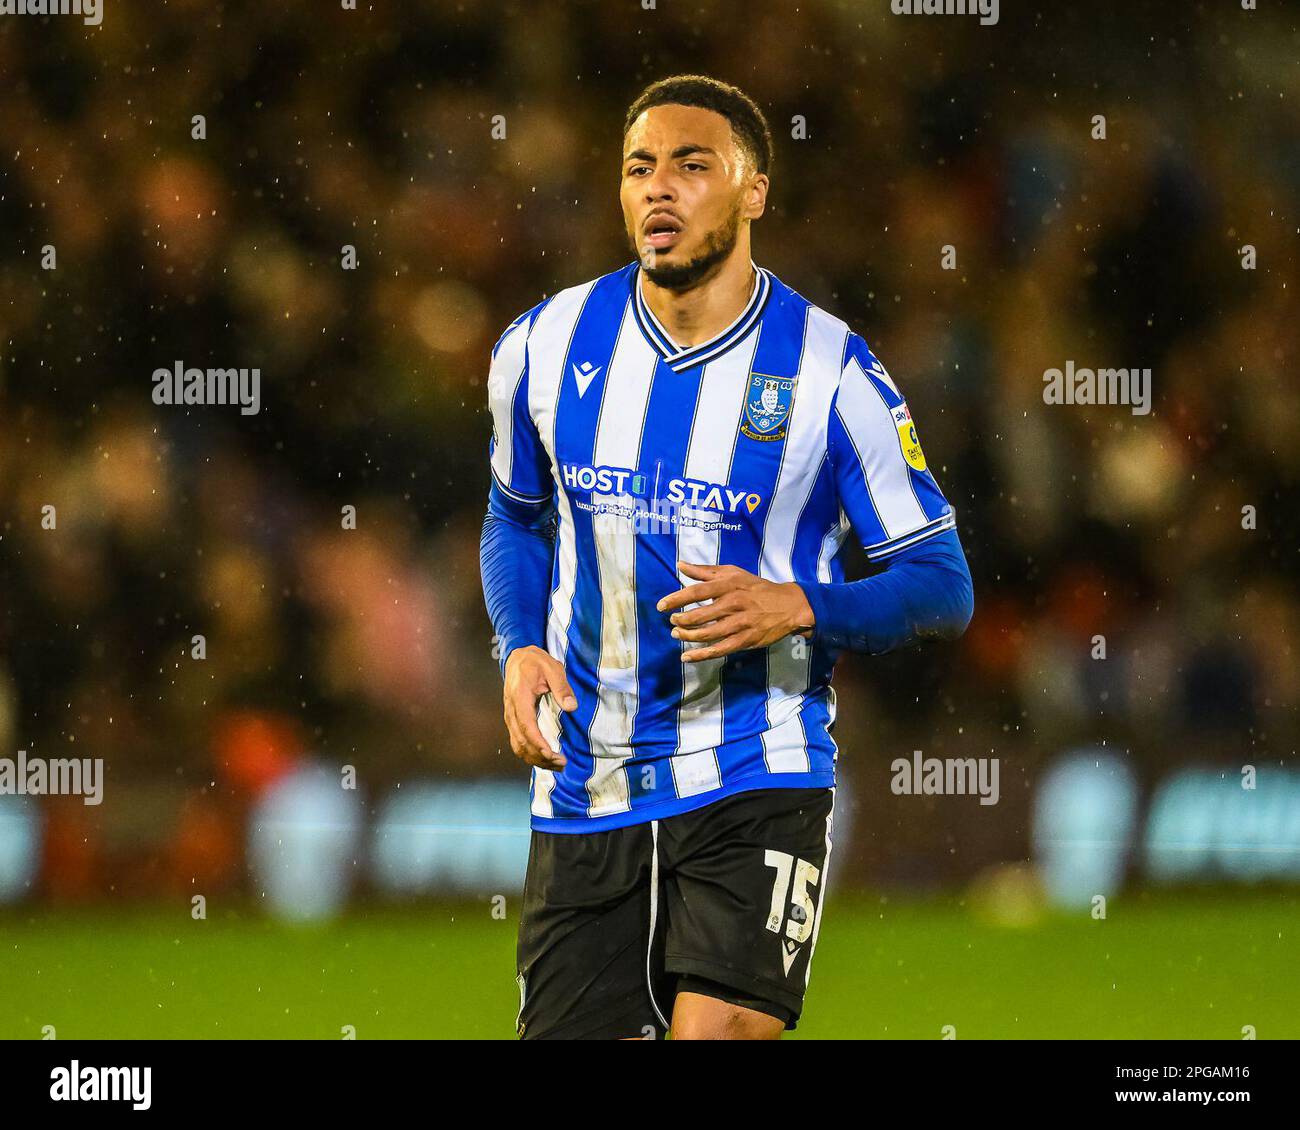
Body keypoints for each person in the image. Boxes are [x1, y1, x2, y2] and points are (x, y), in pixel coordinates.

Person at [480, 74, 974, 1040]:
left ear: (754, 192)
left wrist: (800, 606)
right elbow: (514, 517)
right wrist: (515, 643)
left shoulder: (833, 373)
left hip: (758, 770)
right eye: (639, 168)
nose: (658, 188)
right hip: (588, 783)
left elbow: (941, 585)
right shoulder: (542, 346)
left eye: (692, 165)